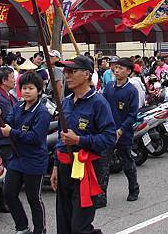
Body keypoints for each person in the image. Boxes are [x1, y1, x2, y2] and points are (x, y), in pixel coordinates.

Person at [51, 55, 116, 234]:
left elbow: (109, 138)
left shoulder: (99, 103)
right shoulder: (65, 102)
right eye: (65, 72)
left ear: (87, 74)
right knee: (64, 226)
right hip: (64, 167)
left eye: (72, 71)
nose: (67, 75)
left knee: (80, 227)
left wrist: (79, 140)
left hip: (87, 169)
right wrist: (56, 166)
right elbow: (60, 137)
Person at [1, 72, 51, 234]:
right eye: (24, 88)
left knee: (33, 198)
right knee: (9, 193)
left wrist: (12, 133)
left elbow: (36, 138)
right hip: (17, 158)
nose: (27, 91)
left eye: (31, 88)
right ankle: (22, 227)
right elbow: (9, 121)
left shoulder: (42, 112)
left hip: (34, 160)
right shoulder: (18, 106)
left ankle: (40, 230)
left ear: (39, 90)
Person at [98, 58, 140, 207]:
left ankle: (134, 188)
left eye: (121, 68)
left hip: (124, 133)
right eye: (115, 68)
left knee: (126, 162)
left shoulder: (132, 90)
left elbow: (132, 115)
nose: (116, 71)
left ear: (128, 71)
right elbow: (101, 106)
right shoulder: (108, 87)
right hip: (107, 132)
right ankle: (101, 197)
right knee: (103, 164)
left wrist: (121, 130)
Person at [0, 67, 17, 166]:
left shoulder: (9, 95)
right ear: (4, 81)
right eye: (12, 77)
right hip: (4, 141)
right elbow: (11, 118)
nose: (14, 80)